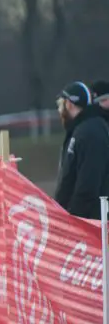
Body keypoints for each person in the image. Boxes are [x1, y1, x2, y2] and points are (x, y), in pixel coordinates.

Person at [54, 81, 109, 220]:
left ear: (69, 104)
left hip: (92, 222)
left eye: (61, 105)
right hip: (88, 218)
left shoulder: (90, 132)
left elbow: (88, 184)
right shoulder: (80, 130)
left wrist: (73, 219)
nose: (60, 111)